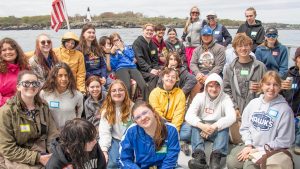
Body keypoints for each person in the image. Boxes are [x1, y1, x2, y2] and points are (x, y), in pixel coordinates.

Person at [226, 71, 295, 169]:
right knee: (232, 163)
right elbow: (245, 127)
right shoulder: (253, 103)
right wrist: (248, 145)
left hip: (272, 150)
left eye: (275, 85)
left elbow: (285, 140)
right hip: (252, 146)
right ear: (262, 85)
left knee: (249, 167)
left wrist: (259, 150)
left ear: (280, 88)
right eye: (268, 84)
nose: (271, 88)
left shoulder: (285, 110)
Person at [0, 70, 58, 168]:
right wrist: (38, 158)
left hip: (43, 153)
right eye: (26, 83)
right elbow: (7, 149)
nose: (31, 86)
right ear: (18, 86)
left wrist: (55, 154)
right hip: (17, 158)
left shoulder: (43, 106)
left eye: (35, 83)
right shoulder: (6, 112)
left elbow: (52, 133)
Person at [186, 73, 236, 169]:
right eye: (211, 86)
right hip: (202, 130)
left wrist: (214, 126)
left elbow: (232, 117)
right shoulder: (199, 97)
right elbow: (189, 115)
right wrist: (202, 126)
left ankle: (215, 159)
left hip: (216, 131)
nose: (214, 89)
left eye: (217, 86)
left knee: (224, 126)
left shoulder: (225, 98)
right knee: (195, 125)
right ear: (206, 86)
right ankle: (199, 158)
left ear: (221, 87)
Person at [223, 33, 266, 144]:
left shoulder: (260, 66)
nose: (243, 48)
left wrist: (261, 88)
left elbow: (268, 88)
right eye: (240, 46)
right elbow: (226, 90)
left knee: (255, 141)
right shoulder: (229, 68)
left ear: (250, 47)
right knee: (237, 141)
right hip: (237, 110)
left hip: (256, 110)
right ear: (235, 49)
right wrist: (235, 107)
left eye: (246, 45)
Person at [119, 101, 180, 169]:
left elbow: (170, 160)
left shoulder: (171, 130)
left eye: (145, 113)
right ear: (136, 121)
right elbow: (124, 159)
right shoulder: (131, 132)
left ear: (153, 111)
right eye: (138, 117)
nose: (143, 118)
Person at [99, 80, 133, 169]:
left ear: (125, 92)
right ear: (110, 93)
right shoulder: (106, 111)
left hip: (132, 140)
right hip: (116, 140)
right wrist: (104, 150)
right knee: (111, 164)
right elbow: (105, 132)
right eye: (114, 91)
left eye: (120, 90)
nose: (117, 93)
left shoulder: (133, 107)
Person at [40, 62, 83, 130]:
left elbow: (79, 116)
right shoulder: (44, 93)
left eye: (66, 75)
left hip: (70, 133)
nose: (64, 79)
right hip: (51, 134)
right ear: (54, 77)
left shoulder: (78, 95)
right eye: (60, 75)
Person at [109, 32, 148, 101]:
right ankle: (128, 104)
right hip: (120, 68)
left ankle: (146, 103)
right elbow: (113, 65)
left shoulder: (127, 47)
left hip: (132, 67)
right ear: (112, 42)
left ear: (120, 40)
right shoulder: (112, 51)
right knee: (127, 86)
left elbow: (132, 57)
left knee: (144, 85)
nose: (117, 42)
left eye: (118, 39)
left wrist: (123, 49)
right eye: (114, 40)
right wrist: (112, 54)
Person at [149, 67, 186, 132]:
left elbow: (179, 113)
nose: (170, 79)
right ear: (163, 78)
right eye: (168, 76)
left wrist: (174, 130)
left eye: (173, 77)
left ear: (176, 80)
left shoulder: (180, 93)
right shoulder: (154, 93)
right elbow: (156, 112)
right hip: (159, 122)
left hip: (174, 123)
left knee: (187, 131)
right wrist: (164, 127)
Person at [190, 26, 225, 90]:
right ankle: (192, 100)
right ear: (201, 36)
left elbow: (219, 66)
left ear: (212, 36)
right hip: (199, 73)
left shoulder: (220, 48)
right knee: (192, 83)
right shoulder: (196, 50)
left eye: (208, 35)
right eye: (204, 35)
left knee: (203, 84)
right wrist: (198, 73)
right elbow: (192, 64)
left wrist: (208, 76)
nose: (206, 37)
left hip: (214, 73)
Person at [0, 37, 28, 107]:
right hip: (6, 109)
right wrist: (15, 102)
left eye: (11, 49)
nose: (8, 52)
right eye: (4, 50)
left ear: (17, 51)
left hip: (26, 105)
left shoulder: (25, 67)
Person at [282, 47, 300, 154]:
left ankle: (298, 144)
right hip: (288, 111)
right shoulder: (289, 74)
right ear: (296, 59)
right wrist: (281, 86)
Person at [132, 23, 160, 92]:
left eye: (151, 30)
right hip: (140, 70)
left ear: (153, 32)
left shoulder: (153, 45)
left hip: (150, 68)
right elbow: (139, 59)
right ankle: (150, 98)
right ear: (143, 30)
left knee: (164, 72)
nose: (149, 32)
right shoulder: (137, 43)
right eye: (147, 30)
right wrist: (150, 70)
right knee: (154, 76)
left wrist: (156, 69)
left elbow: (155, 60)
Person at [182, 6, 206, 71]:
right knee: (189, 65)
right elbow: (183, 36)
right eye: (193, 12)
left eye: (196, 12)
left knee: (197, 66)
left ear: (199, 14)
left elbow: (206, 35)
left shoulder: (202, 22)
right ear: (190, 13)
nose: (195, 14)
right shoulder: (188, 22)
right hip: (188, 47)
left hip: (198, 47)